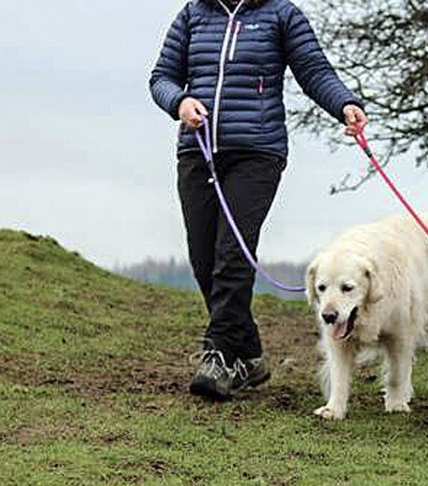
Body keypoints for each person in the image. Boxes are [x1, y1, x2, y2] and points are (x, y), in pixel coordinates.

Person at [149, 0, 367, 400]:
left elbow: (314, 71)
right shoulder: (193, 14)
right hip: (198, 150)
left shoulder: (281, 14)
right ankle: (248, 355)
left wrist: (345, 104)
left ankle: (218, 356)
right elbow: (161, 77)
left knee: (232, 256)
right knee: (204, 260)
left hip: (257, 153)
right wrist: (178, 102)